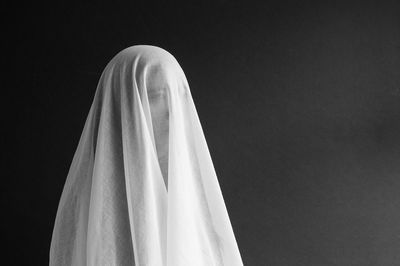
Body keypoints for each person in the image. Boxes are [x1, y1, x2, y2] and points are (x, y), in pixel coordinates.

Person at [50, 45, 243, 266]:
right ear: (120, 106)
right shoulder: (86, 218)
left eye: (178, 97)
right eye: (156, 97)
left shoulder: (197, 208)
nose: (174, 112)